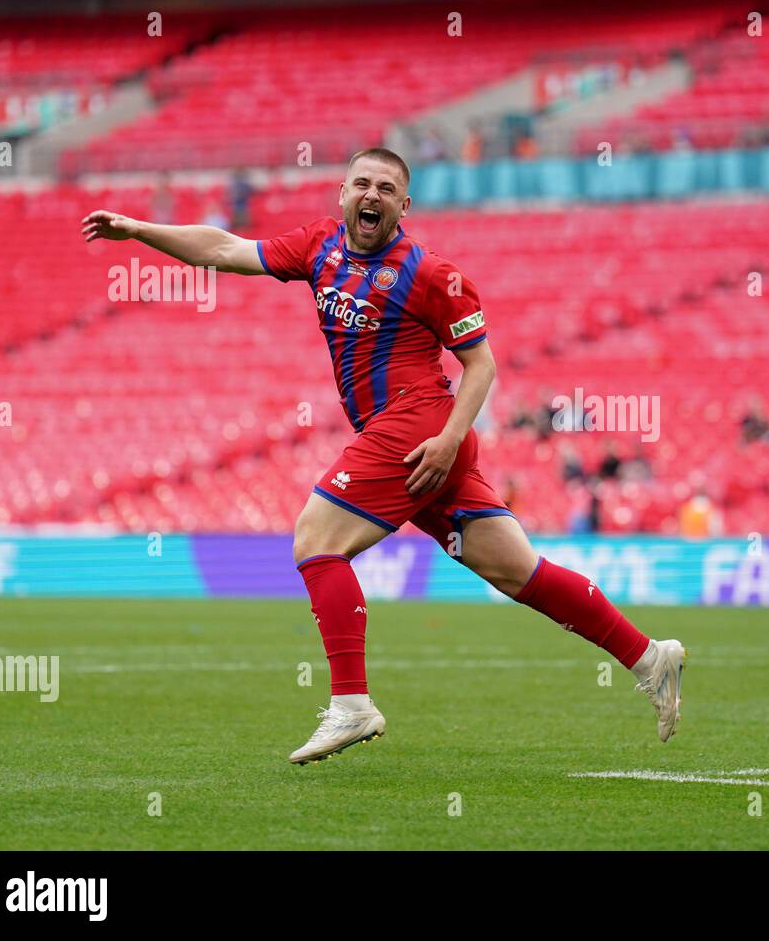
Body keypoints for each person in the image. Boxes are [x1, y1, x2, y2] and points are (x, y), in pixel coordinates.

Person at [80, 148, 686, 764]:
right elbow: (224, 250)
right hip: (419, 440)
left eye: (387, 188)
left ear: (404, 205)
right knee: (517, 572)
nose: (373, 195)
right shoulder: (319, 246)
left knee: (317, 539)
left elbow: (482, 364)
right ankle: (648, 657)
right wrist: (139, 230)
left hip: (417, 424)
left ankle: (352, 705)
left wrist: (449, 437)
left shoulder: (430, 274)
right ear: (342, 192)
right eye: (363, 184)